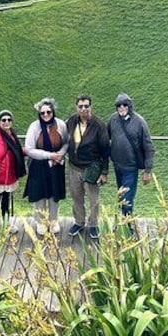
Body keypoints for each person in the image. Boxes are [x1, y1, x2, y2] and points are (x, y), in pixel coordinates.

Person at [65, 94, 109, 240]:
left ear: (91, 107)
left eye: (86, 106)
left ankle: (93, 224)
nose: (83, 109)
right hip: (74, 167)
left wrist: (104, 172)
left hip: (91, 168)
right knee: (76, 197)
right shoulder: (71, 121)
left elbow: (105, 149)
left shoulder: (98, 125)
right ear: (76, 107)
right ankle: (79, 222)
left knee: (93, 199)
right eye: (80, 106)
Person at [23, 97, 69, 236]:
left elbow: (66, 142)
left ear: (53, 112)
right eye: (43, 113)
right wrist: (50, 155)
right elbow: (29, 149)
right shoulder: (34, 127)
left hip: (56, 165)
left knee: (54, 194)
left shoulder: (61, 125)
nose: (46, 115)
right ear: (39, 114)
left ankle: (54, 221)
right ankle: (41, 222)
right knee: (39, 194)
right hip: (38, 166)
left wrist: (59, 155)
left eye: (48, 112)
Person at [107, 93, 155, 223]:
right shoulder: (113, 120)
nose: (121, 107)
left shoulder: (139, 122)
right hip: (117, 166)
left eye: (124, 105)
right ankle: (123, 222)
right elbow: (106, 139)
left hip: (131, 167)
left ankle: (128, 226)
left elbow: (148, 146)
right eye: (118, 105)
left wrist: (147, 171)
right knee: (121, 197)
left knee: (127, 199)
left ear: (130, 106)